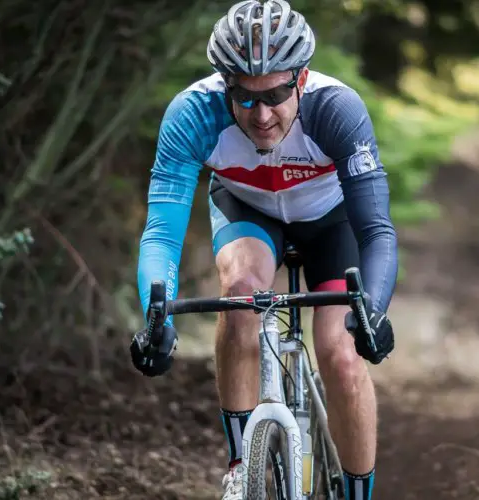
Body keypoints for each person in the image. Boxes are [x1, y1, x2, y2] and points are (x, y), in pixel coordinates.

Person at [128, 1, 397, 499]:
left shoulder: (336, 110)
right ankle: (240, 466)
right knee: (240, 296)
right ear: (225, 86)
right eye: (246, 98)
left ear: (301, 78)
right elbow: (161, 235)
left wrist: (374, 311)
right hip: (248, 210)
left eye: (275, 93)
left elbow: (377, 229)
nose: (263, 114)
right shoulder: (192, 115)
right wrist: (155, 319)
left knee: (340, 354)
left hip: (330, 221)